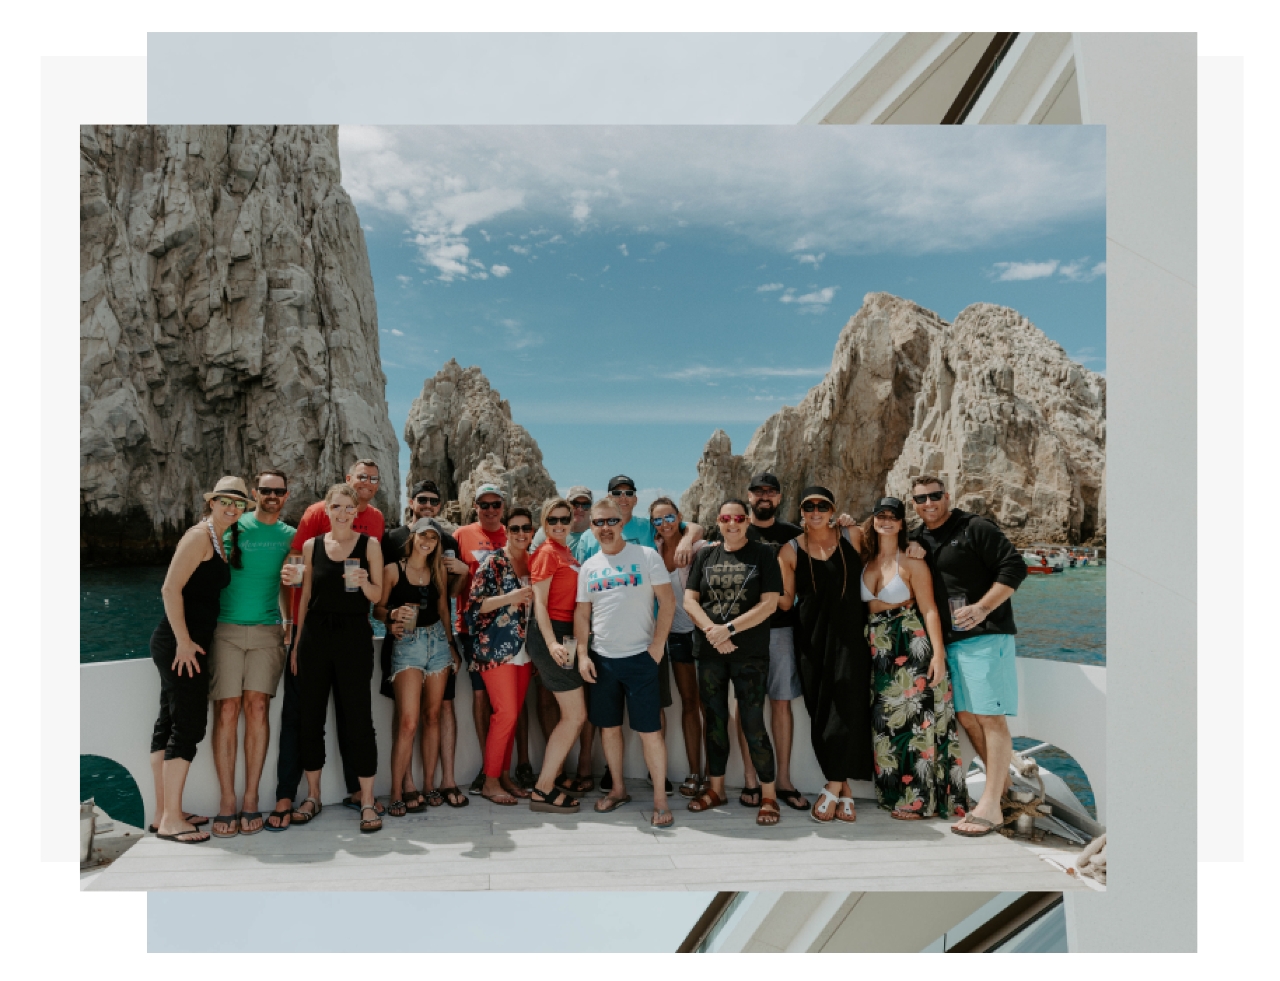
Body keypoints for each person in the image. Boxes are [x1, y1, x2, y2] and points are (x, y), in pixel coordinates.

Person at [903, 475, 1028, 838]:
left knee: (990, 718)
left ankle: (989, 808)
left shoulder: (975, 527)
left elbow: (1014, 567)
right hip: (950, 642)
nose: (928, 503)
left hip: (985, 638)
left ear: (947, 496)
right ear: (913, 503)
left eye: (935, 496)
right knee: (966, 717)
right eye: (920, 499)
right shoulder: (919, 538)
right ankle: (1000, 791)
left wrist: (983, 607)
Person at [273, 458, 388, 821]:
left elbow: (377, 595)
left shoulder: (369, 545)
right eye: (335, 506)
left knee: (358, 718)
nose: (342, 513)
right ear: (327, 509)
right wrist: (295, 642)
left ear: (357, 511)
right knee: (311, 719)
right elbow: (304, 597)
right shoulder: (311, 548)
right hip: (314, 638)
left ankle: (367, 799)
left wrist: (365, 583)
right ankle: (313, 796)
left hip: (354, 635)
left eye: (348, 507)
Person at [147, 477, 246, 844]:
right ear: (213, 503)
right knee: (187, 727)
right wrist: (185, 642)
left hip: (184, 644)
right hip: (180, 645)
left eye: (239, 503)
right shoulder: (198, 536)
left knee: (169, 722)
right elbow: (170, 588)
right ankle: (172, 819)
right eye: (226, 501)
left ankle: (163, 814)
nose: (232, 508)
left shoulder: (219, 538)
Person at [708, 473, 810, 812]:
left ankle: (782, 780)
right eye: (757, 491)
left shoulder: (794, 535)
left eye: (770, 492)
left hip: (779, 630)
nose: (764, 496)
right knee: (745, 706)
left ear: (779, 498)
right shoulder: (732, 528)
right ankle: (751, 779)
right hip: (741, 634)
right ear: (748, 497)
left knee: (780, 703)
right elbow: (701, 545)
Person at [860, 497, 966, 820]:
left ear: (902, 523)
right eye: (881, 516)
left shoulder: (913, 562)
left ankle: (922, 801)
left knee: (917, 724)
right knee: (885, 727)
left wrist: (938, 655)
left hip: (911, 643)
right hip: (879, 651)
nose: (887, 521)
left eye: (893, 517)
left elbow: (930, 609)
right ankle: (895, 795)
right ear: (874, 520)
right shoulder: (865, 560)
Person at [682, 499, 785, 827]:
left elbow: (770, 604)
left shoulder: (764, 554)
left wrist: (728, 629)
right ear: (719, 521)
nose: (732, 523)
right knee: (713, 720)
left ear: (747, 521)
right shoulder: (705, 555)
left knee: (753, 722)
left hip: (750, 653)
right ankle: (716, 790)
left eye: (738, 518)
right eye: (726, 518)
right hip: (710, 651)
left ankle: (769, 795)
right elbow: (689, 599)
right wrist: (712, 631)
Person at [575, 498, 676, 826]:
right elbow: (582, 612)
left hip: (641, 657)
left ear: (622, 523)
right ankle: (618, 789)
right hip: (603, 659)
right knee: (609, 729)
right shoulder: (589, 566)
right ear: (592, 527)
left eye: (611, 522)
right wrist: (581, 653)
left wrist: (658, 646)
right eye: (598, 523)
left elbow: (668, 600)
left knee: (650, 732)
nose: (605, 528)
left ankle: (660, 800)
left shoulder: (646, 556)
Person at [208, 469, 295, 837]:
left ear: (286, 496)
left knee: (257, 708)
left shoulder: (290, 536)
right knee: (227, 709)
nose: (271, 496)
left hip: (266, 631)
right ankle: (227, 801)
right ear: (255, 493)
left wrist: (291, 622)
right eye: (265, 490)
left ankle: (250, 798)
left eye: (278, 491)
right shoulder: (232, 527)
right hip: (224, 631)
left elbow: (293, 583)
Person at [778, 486, 871, 825]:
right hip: (810, 641)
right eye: (808, 506)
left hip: (851, 639)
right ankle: (844, 791)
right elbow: (786, 602)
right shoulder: (788, 552)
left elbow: (889, 553)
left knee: (846, 708)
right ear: (801, 512)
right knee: (819, 712)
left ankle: (831, 786)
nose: (815, 511)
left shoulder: (853, 535)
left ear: (832, 510)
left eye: (822, 505)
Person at [382, 480, 469, 808]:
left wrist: (450, 644)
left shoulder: (446, 548)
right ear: (411, 501)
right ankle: (402, 787)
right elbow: (379, 596)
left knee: (433, 713)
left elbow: (448, 600)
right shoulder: (391, 542)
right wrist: (390, 617)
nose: (428, 504)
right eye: (422, 499)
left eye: (434, 500)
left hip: (436, 639)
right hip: (403, 640)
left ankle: (432, 785)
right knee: (406, 717)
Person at [467, 507, 538, 805]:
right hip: (495, 649)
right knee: (506, 714)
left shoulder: (535, 561)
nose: (521, 534)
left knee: (512, 716)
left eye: (526, 529)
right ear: (506, 531)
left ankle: (504, 776)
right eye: (515, 529)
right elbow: (474, 607)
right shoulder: (493, 562)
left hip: (525, 650)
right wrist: (512, 597)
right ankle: (491, 781)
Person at [525, 497, 589, 813]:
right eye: (553, 521)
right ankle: (543, 788)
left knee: (574, 715)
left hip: (567, 634)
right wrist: (552, 643)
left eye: (565, 519)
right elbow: (539, 603)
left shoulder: (567, 553)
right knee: (575, 716)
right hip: (550, 634)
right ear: (544, 523)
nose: (560, 525)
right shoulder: (546, 553)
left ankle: (548, 782)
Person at [453, 482, 508, 795]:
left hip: (505, 628)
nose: (490, 510)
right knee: (480, 698)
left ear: (502, 507)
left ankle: (506, 768)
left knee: (509, 702)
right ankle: (490, 768)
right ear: (475, 507)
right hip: (472, 629)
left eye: (495, 505)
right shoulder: (462, 535)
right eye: (484, 505)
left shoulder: (511, 534)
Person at [649, 497, 706, 798]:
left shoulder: (696, 548)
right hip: (674, 635)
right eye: (657, 520)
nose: (664, 524)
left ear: (679, 516)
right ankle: (694, 772)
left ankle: (713, 775)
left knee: (708, 704)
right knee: (688, 702)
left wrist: (688, 536)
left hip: (702, 632)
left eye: (669, 517)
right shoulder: (654, 552)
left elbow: (700, 528)